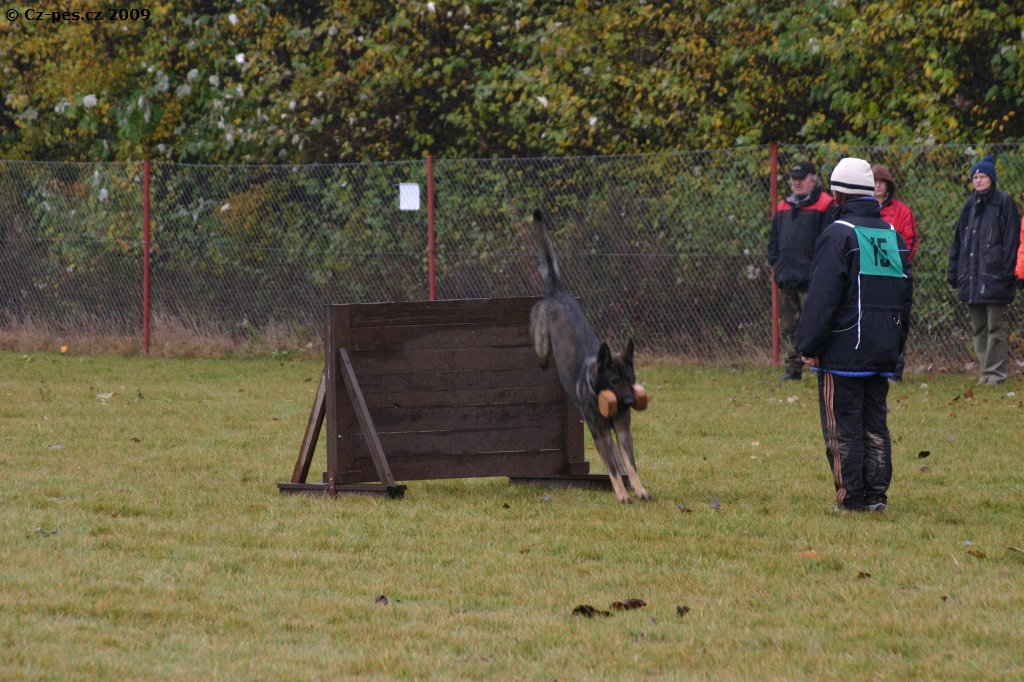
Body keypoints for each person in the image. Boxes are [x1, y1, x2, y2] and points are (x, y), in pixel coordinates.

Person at [796, 158, 913, 513]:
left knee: (842, 428)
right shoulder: (891, 235)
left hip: (843, 352)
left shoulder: (838, 234)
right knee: (874, 425)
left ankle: (851, 499)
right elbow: (904, 298)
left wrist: (808, 345)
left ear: (838, 195)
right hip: (882, 349)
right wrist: (895, 346)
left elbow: (823, 298)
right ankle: (876, 496)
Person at [945, 155, 1021, 385]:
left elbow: (1011, 240)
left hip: (995, 277)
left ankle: (996, 374)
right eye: (975, 177)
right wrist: (954, 271)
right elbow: (959, 241)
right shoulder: (969, 206)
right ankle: (985, 373)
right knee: (978, 328)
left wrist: (1008, 272)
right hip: (971, 278)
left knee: (995, 327)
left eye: (982, 176)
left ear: (992, 179)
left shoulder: (1004, 203)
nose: (978, 180)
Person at [769, 161, 834, 381]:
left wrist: (820, 269)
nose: (797, 182)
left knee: (815, 324)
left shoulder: (825, 204)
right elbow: (774, 239)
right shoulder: (783, 206)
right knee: (788, 326)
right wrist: (775, 262)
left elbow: (828, 241)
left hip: (812, 278)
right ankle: (793, 368)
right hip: (786, 276)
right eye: (794, 179)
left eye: (802, 178)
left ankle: (821, 365)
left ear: (813, 179)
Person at [873, 163, 920, 381]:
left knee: (896, 320)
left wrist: (897, 264)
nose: (877, 186)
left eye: (881, 182)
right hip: (871, 275)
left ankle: (894, 370)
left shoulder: (901, 211)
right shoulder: (864, 210)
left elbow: (910, 241)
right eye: (874, 182)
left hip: (895, 274)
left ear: (888, 186)